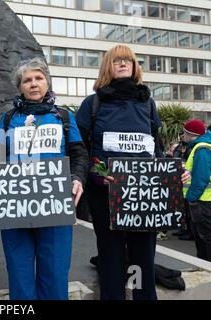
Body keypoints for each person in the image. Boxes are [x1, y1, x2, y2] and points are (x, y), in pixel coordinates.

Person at [0, 57, 89, 299]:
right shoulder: (7, 119)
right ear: (20, 86)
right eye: (27, 80)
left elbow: (79, 153)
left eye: (38, 78)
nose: (33, 84)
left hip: (55, 204)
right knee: (19, 272)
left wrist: (77, 178)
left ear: (47, 82)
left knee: (54, 273)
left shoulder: (64, 116)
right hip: (16, 205)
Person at [75, 44, 164, 300]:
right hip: (105, 195)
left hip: (143, 196)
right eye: (117, 61)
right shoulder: (92, 104)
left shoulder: (148, 104)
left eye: (128, 60)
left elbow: (155, 149)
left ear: (135, 66)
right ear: (108, 67)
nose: (123, 64)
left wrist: (171, 173)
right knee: (111, 257)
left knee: (143, 259)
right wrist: (98, 173)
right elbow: (80, 150)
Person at [182, 119, 211, 261]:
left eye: (184, 133)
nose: (183, 135)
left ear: (190, 134)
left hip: (202, 201)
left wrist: (191, 197)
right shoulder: (202, 146)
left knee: (205, 239)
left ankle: (206, 269)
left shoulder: (201, 149)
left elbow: (201, 178)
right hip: (203, 200)